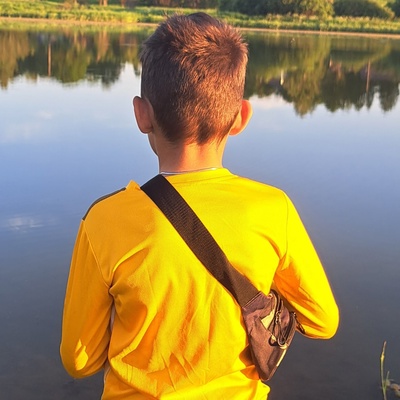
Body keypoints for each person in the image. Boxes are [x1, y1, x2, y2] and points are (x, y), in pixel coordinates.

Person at [60, 12, 339, 399]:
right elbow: (322, 321)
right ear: (240, 117)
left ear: (142, 114)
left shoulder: (104, 221)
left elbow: (79, 361)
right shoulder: (273, 209)